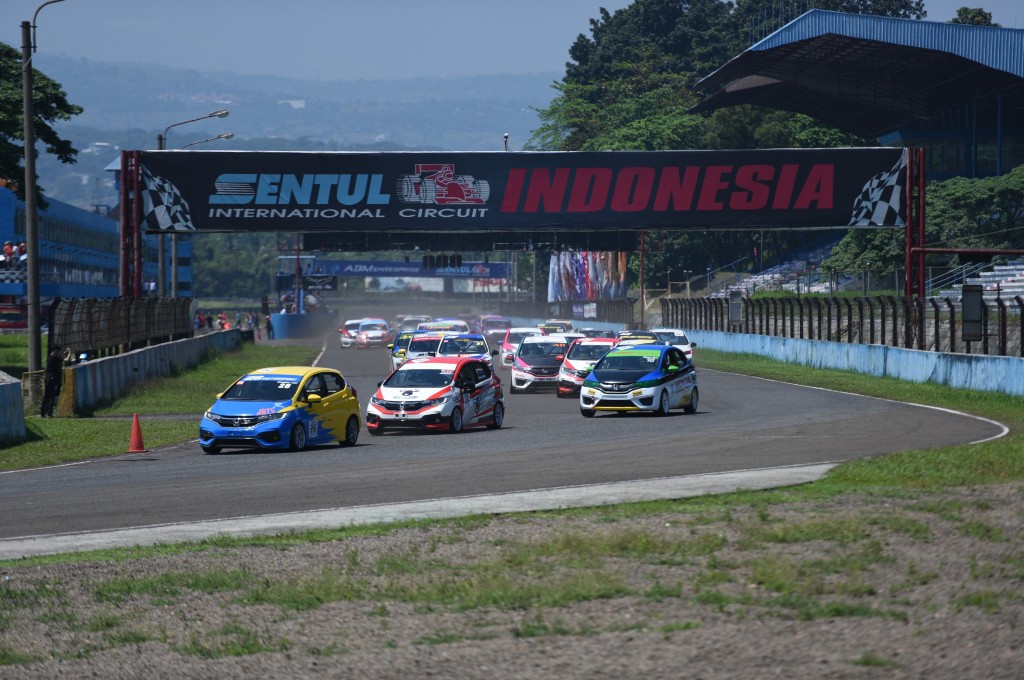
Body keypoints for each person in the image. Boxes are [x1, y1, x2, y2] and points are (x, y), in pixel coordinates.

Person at [40, 345, 67, 417]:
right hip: (51, 379)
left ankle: (44, 412)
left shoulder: (50, 358)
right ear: (55, 351)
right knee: (50, 396)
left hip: (48, 378)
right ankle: (48, 412)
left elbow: (60, 358)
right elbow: (65, 359)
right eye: (58, 351)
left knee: (48, 396)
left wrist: (64, 353)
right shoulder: (53, 358)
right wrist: (69, 352)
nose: (58, 353)